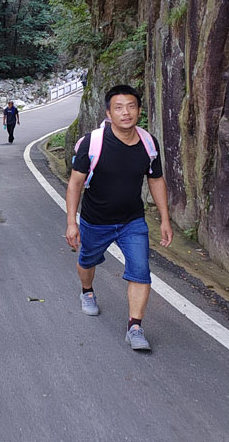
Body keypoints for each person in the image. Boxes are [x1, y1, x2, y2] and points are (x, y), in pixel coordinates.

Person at [65, 84, 173, 351]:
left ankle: (135, 327)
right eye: (119, 108)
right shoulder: (93, 143)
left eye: (131, 106)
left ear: (139, 110)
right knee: (87, 260)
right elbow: (75, 184)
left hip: (132, 221)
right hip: (95, 220)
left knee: (141, 271)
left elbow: (156, 180)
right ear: (108, 113)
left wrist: (165, 219)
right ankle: (87, 291)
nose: (126, 112)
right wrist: (71, 223)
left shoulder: (148, 143)